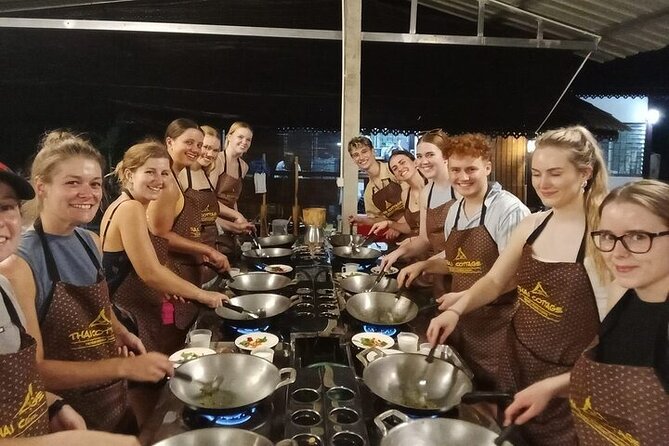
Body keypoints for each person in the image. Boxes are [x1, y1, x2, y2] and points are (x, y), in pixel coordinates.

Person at [426, 126, 609, 445]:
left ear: (585, 173)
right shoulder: (533, 225)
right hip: (516, 364)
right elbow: (495, 280)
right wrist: (456, 310)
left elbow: (615, 343)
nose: (543, 183)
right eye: (537, 173)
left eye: (555, 173)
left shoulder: (604, 239)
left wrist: (560, 385)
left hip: (569, 385)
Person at [0, 131, 173, 434]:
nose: (88, 193)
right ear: (40, 187)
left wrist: (119, 330)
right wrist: (124, 367)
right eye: (72, 182)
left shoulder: (89, 240)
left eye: (94, 184)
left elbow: (100, 303)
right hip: (67, 415)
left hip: (112, 396)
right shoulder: (20, 264)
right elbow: (33, 371)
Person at [503, 179, 669, 445]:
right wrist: (554, 387)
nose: (617, 252)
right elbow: (618, 382)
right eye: (607, 237)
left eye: (638, 237)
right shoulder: (624, 294)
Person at [399, 134, 529, 390]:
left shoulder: (507, 210)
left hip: (497, 326)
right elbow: (456, 260)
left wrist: (463, 299)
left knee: (495, 398)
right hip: (463, 322)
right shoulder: (456, 209)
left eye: (471, 169)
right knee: (464, 391)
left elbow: (514, 275)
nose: (463, 177)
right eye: (456, 170)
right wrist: (423, 265)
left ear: (488, 168)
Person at [102, 141, 227, 355]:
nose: (159, 181)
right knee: (147, 382)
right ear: (130, 174)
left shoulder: (130, 205)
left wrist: (170, 285)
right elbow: (150, 272)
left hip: (131, 304)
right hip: (127, 311)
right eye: (150, 172)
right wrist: (203, 295)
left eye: (164, 173)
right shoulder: (129, 208)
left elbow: (142, 262)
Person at [147, 119, 230, 331]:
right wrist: (207, 249)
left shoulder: (176, 176)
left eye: (199, 145)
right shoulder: (166, 182)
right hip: (169, 277)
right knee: (169, 340)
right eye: (189, 142)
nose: (196, 149)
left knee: (182, 334)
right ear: (170, 142)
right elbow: (160, 234)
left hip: (184, 273)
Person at [379, 130, 456, 295]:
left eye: (429, 154)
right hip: (437, 271)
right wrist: (397, 253)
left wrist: (425, 264)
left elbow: (464, 247)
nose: (423, 161)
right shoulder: (427, 193)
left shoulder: (460, 188)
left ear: (445, 156)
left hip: (462, 274)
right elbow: (425, 239)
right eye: (420, 156)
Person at [346, 136, 405, 240]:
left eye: (364, 151)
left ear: (373, 152)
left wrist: (399, 226)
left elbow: (416, 197)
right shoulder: (369, 192)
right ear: (353, 160)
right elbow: (380, 219)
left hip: (420, 226)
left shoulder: (392, 169)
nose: (361, 157)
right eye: (356, 155)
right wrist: (361, 220)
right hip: (400, 236)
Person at [369, 149, 427, 238]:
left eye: (402, 162)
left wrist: (412, 242)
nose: (400, 168)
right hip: (417, 244)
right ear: (396, 176)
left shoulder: (431, 186)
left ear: (415, 162)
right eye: (395, 168)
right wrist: (389, 223)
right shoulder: (405, 195)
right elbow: (408, 227)